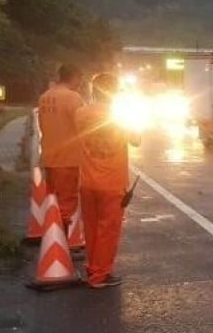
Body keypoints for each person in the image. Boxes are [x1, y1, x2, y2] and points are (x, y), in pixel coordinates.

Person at [76, 72, 140, 289]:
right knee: (108, 230)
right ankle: (99, 276)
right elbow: (137, 140)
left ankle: (92, 268)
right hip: (112, 183)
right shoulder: (120, 115)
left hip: (87, 181)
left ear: (93, 91)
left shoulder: (81, 113)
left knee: (92, 229)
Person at [37, 64, 85, 233]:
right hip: (68, 158)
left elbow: (42, 126)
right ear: (74, 77)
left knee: (53, 201)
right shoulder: (73, 98)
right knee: (67, 203)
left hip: (49, 157)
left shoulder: (44, 97)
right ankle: (60, 245)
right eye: (80, 78)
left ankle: (52, 239)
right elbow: (82, 126)